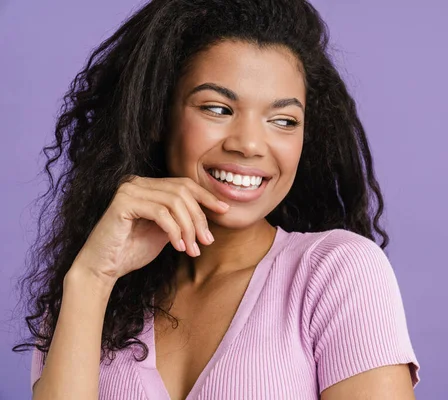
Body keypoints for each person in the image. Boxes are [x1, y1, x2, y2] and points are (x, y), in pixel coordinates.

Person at [13, 0, 421, 398]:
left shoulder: (336, 273)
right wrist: (90, 281)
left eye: (283, 120)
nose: (248, 145)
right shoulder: (87, 291)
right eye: (217, 108)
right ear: (158, 117)